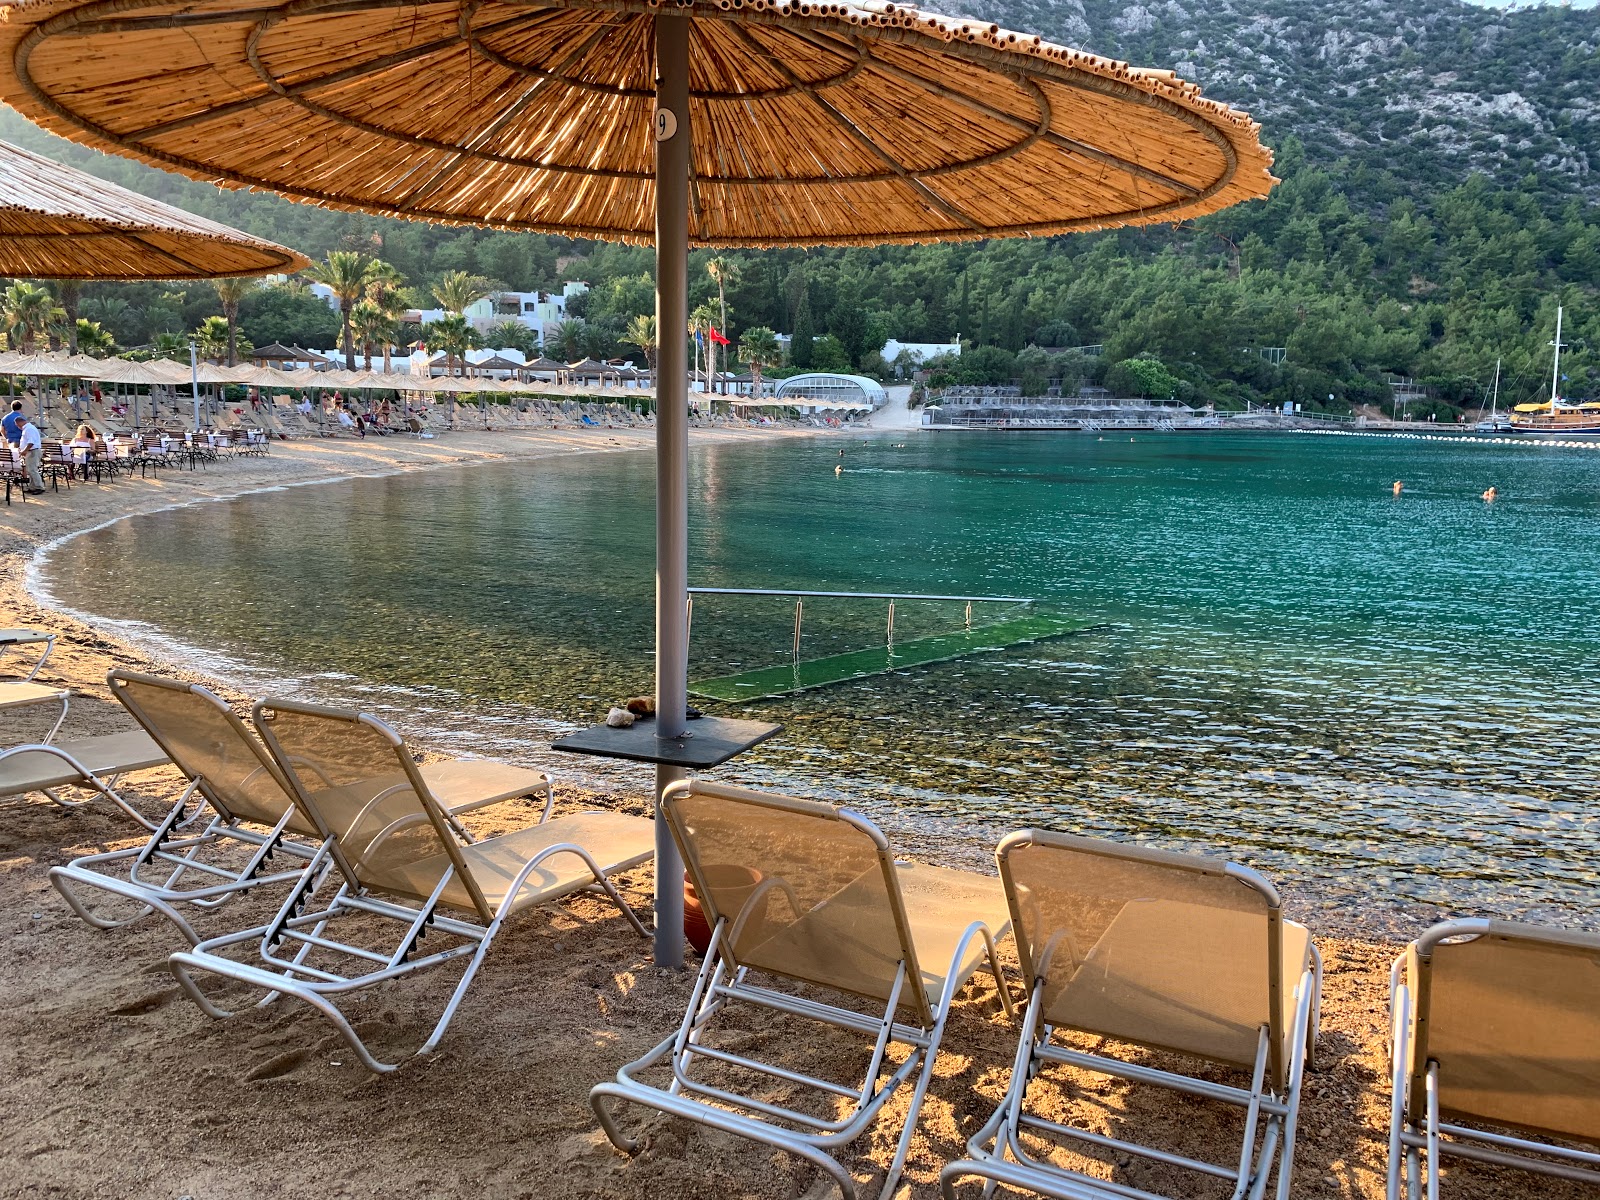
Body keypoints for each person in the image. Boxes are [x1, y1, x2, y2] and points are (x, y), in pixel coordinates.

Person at [16, 413, 45, 493]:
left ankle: (39, 487)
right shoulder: (28, 428)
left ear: (20, 422)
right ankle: (33, 486)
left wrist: (24, 450)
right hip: (31, 451)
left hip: (33, 451)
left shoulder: (29, 429)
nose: (18, 427)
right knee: (30, 470)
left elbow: (31, 442)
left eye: (17, 425)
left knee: (32, 470)